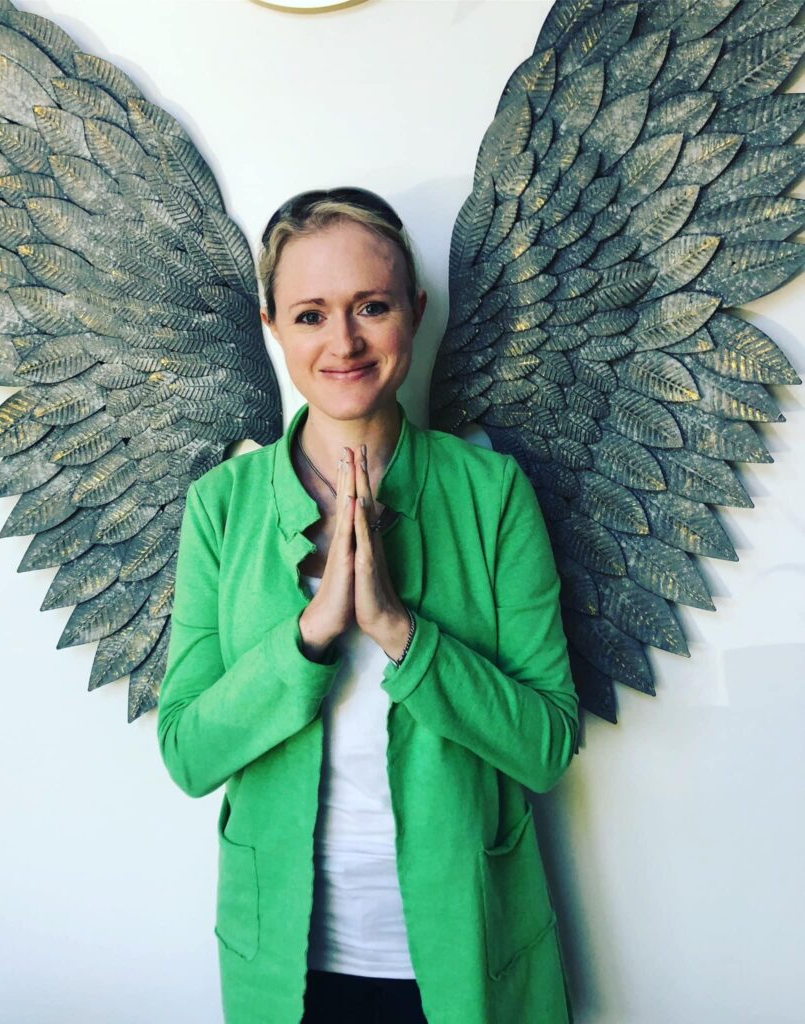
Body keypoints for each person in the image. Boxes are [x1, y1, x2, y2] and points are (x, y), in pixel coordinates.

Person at [157, 187, 581, 1024]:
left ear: (415, 314)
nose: (344, 342)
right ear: (272, 328)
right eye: (310, 315)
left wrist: (399, 631)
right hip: (287, 965)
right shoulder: (221, 505)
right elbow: (189, 755)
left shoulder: (493, 492)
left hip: (471, 951)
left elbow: (546, 747)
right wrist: (310, 636)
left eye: (372, 307)